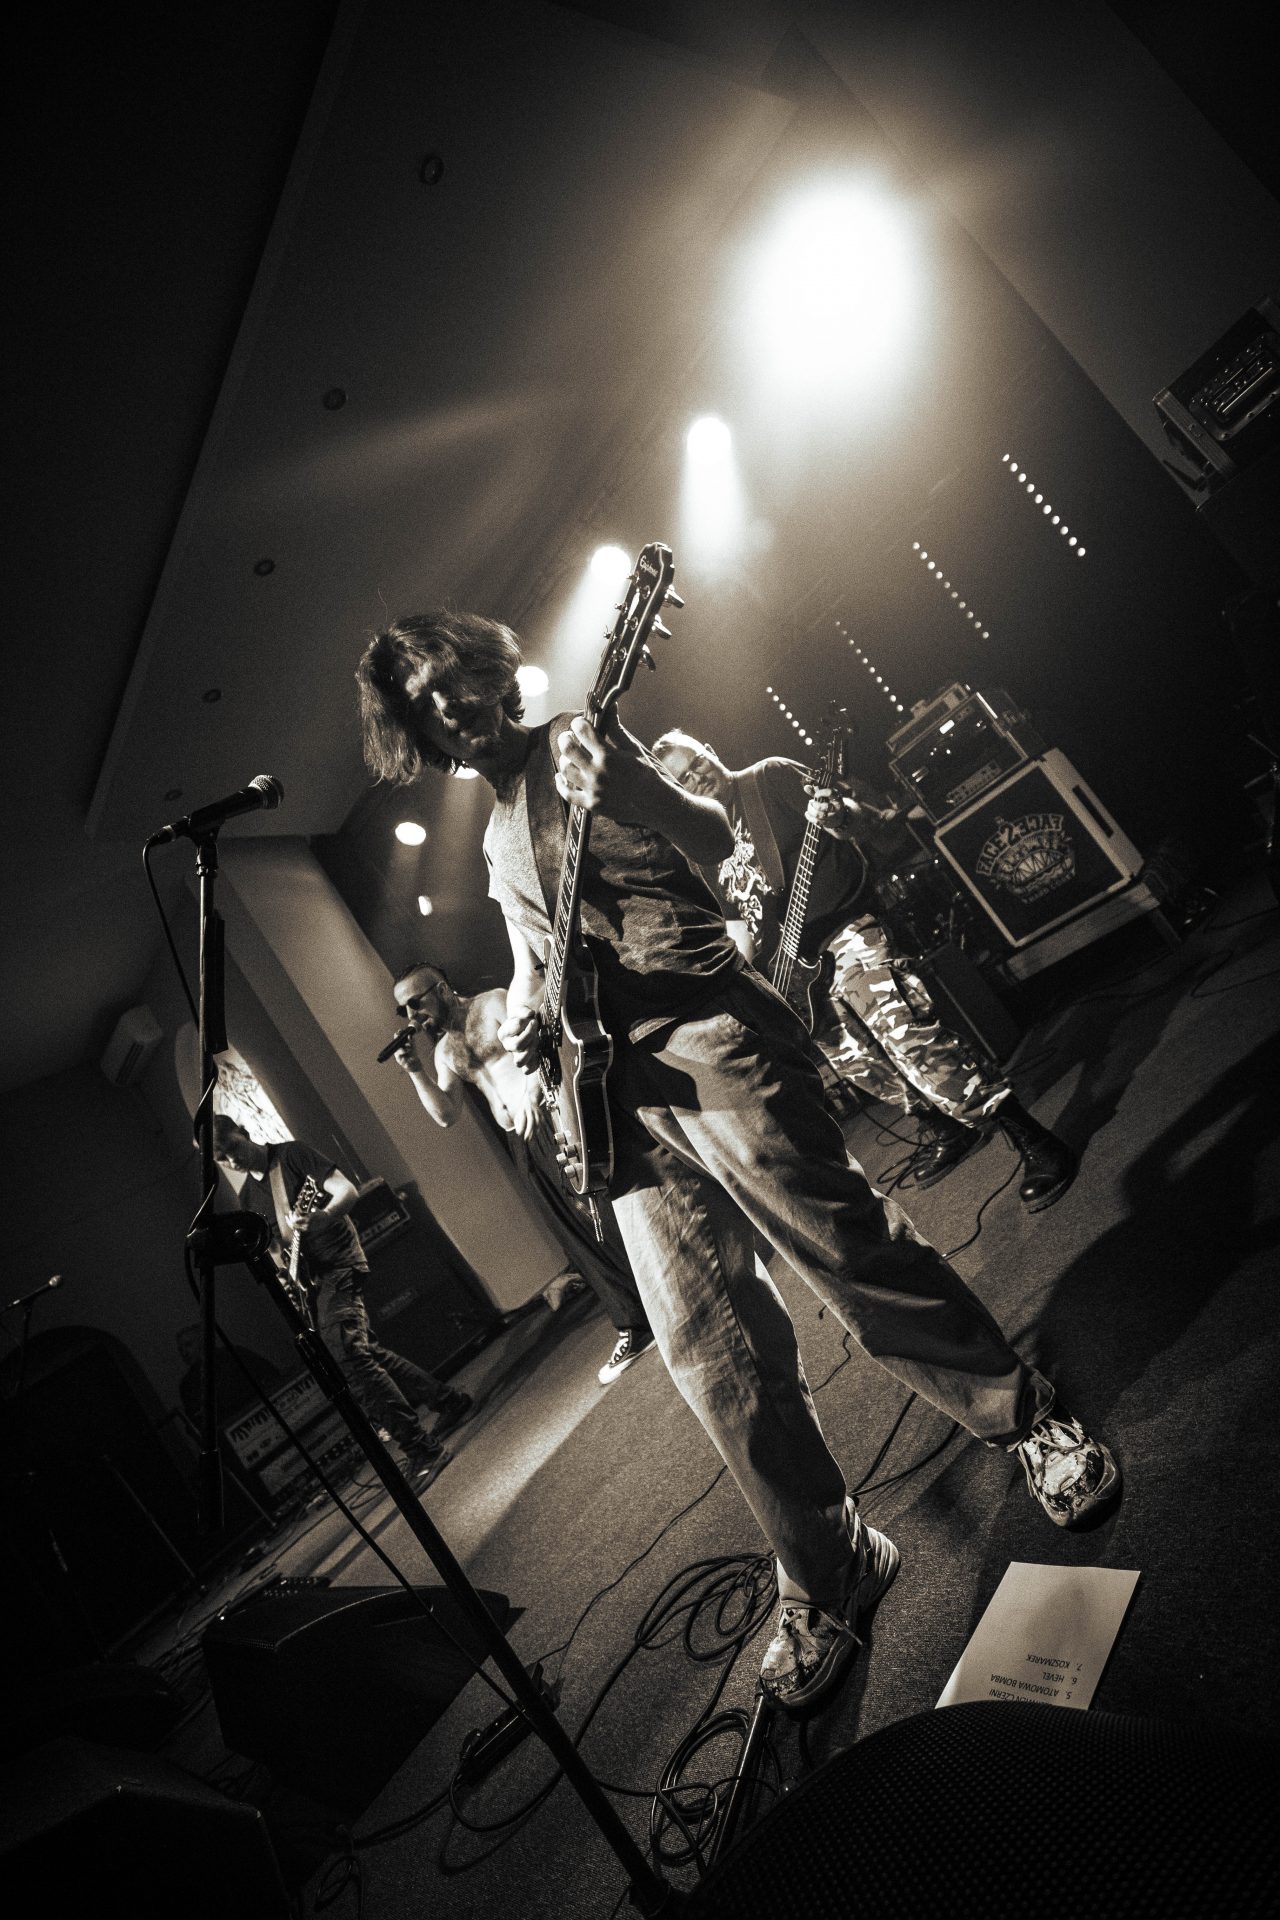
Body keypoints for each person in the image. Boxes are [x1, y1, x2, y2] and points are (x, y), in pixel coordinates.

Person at [354, 608, 1120, 1712]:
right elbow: (533, 953)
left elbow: (722, 840)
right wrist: (529, 1014)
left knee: (845, 1250)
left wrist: (636, 792)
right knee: (706, 1347)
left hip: (704, 1035)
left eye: (456, 682)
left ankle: (1021, 1414)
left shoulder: (581, 743)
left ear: (489, 672)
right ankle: (830, 1563)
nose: (452, 710)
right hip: (615, 1101)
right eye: (426, 707)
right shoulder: (492, 830)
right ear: (418, 733)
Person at [650, 729, 1076, 1209]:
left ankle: (1029, 1136)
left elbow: (852, 820)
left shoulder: (767, 777)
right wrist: (743, 987)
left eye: (697, 762)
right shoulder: (709, 844)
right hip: (796, 974)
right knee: (859, 1064)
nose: (696, 777)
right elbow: (738, 927)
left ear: (710, 750)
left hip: (847, 934)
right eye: (683, 778)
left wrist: (839, 815)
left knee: (909, 1038)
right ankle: (945, 1128)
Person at [388, 959, 656, 1384]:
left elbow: (544, 1043)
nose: (411, 1016)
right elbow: (446, 1115)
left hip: (549, 1113)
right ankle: (634, 1322)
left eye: (415, 1003)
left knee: (601, 1209)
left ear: (440, 990)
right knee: (571, 1230)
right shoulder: (444, 1051)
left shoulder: (493, 1004)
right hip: (521, 1140)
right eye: (403, 1010)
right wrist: (415, 1072)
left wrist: (532, 1090)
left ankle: (660, 1294)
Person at [210, 1115, 472, 1482]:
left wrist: (323, 1215)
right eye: (221, 1158)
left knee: (347, 1352)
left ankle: (422, 1448)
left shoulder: (292, 1156)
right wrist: (285, 1277)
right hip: (311, 1281)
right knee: (364, 1352)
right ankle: (448, 1401)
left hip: (340, 1262)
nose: (232, 1160)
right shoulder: (247, 1198)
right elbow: (276, 1250)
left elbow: (346, 1190)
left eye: (232, 1147)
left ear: (244, 1132)